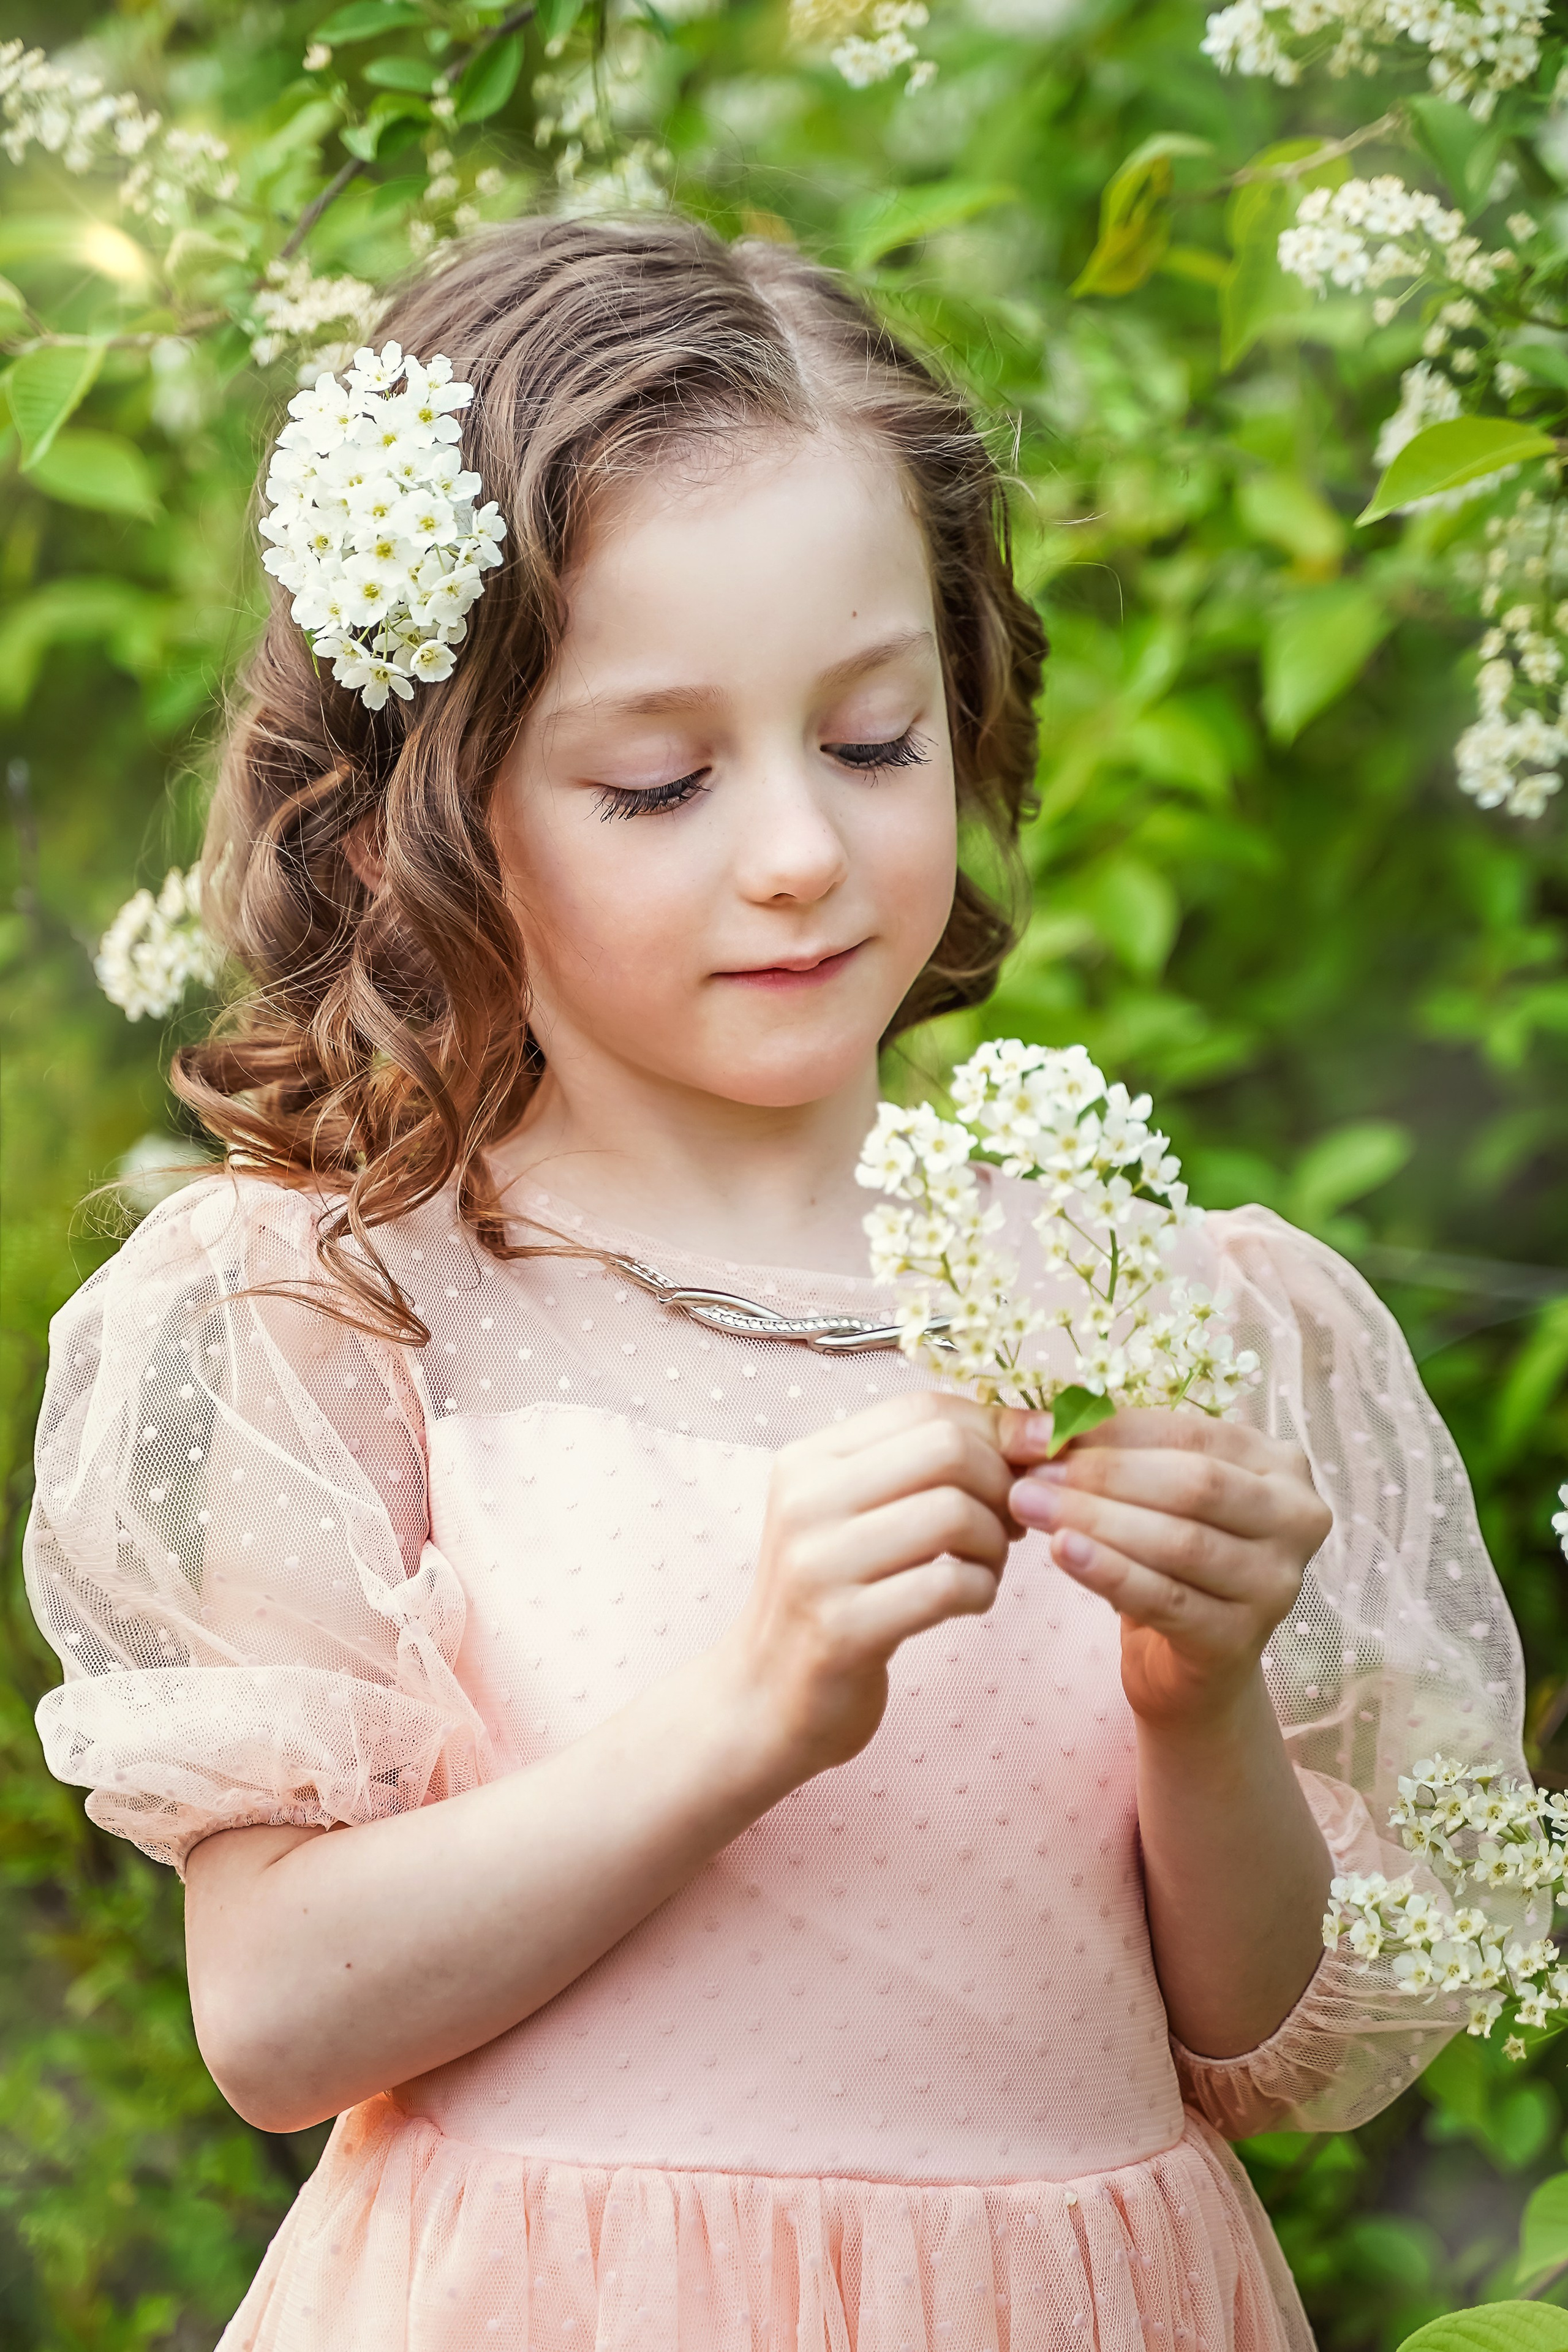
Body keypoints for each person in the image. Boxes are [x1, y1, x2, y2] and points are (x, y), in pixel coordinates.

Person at [24, 215, 1523, 2352]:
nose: (802, 850)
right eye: (661, 779)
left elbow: (1253, 2039)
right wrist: (744, 1721)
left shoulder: (1160, 1303)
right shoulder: (346, 1300)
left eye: (874, 741)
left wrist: (1204, 1700)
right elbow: (276, 2015)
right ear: (432, 816)